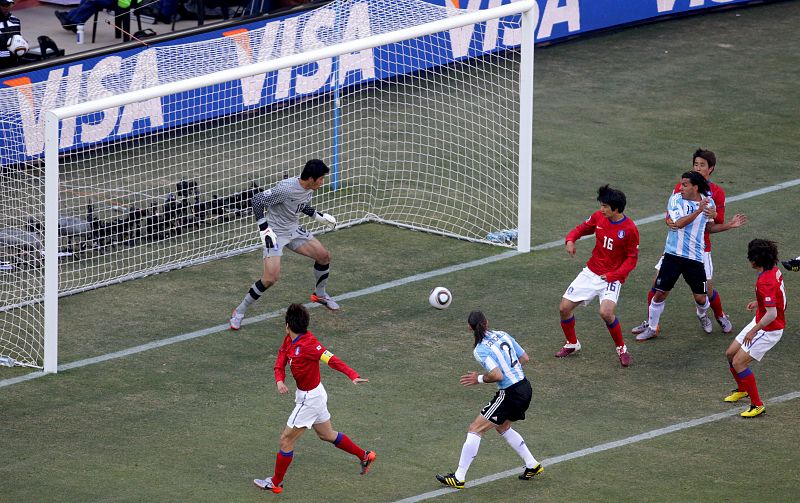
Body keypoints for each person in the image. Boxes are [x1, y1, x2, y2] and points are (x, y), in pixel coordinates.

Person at [253, 303, 376, 493]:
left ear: (287, 325)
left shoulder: (310, 344)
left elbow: (332, 359)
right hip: (314, 395)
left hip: (310, 399)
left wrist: (352, 375)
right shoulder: (289, 340)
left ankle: (276, 483)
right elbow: (281, 359)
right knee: (326, 434)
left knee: (286, 440)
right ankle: (365, 456)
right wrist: (279, 380)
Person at [632, 149, 748, 337]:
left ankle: (718, 315)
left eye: (702, 165)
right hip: (674, 249)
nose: (698, 168)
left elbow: (714, 222)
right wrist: (669, 220)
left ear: (711, 168)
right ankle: (651, 324)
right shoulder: (681, 189)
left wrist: (718, 217)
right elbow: (672, 214)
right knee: (657, 285)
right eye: (696, 164)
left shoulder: (716, 193)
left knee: (706, 291)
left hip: (700, 250)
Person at [436, 311, 542, 490]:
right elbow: (525, 358)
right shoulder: (503, 334)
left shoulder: (480, 350)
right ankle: (532, 464)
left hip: (510, 394)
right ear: (487, 322)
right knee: (503, 426)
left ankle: (459, 477)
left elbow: (496, 375)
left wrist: (478, 378)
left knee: (475, 429)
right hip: (525, 387)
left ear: (470, 328)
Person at [230, 159, 339, 330]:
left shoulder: (308, 188)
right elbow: (257, 200)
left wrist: (318, 216)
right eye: (321, 179)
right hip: (275, 234)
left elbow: (299, 205)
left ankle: (320, 295)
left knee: (324, 256)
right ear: (311, 178)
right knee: (270, 278)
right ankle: (239, 311)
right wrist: (264, 229)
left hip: (293, 230)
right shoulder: (286, 189)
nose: (322, 182)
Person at [555, 185, 639, 367]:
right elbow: (581, 228)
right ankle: (572, 344)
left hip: (611, 278)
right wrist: (570, 240)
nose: (601, 209)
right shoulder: (599, 217)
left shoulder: (630, 229)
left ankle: (622, 349)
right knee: (564, 308)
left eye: (605, 206)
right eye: (601, 205)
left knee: (606, 313)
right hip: (591, 272)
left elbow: (632, 259)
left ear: (616, 209)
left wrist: (614, 275)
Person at [635, 171, 716, 341]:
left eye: (685, 185)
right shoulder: (676, 199)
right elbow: (679, 223)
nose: (681, 188)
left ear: (695, 187)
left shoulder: (708, 201)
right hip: (672, 255)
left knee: (701, 298)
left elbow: (711, 224)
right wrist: (698, 210)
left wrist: (715, 215)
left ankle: (702, 315)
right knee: (660, 294)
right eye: (681, 184)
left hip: (695, 258)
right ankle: (652, 328)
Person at [722, 239, 786, 418]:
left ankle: (757, 405)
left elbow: (772, 314)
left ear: (756, 261)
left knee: (738, 362)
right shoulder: (773, 269)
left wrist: (753, 330)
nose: (748, 259)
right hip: (761, 319)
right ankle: (743, 389)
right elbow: (778, 296)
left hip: (769, 329)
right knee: (730, 354)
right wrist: (760, 303)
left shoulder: (765, 282)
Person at [0, 0, 22, 70]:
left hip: (14, 62)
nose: (6, 7)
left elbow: (18, 39)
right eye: (3, 5)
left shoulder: (16, 21)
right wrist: (7, 53)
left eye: (9, 5)